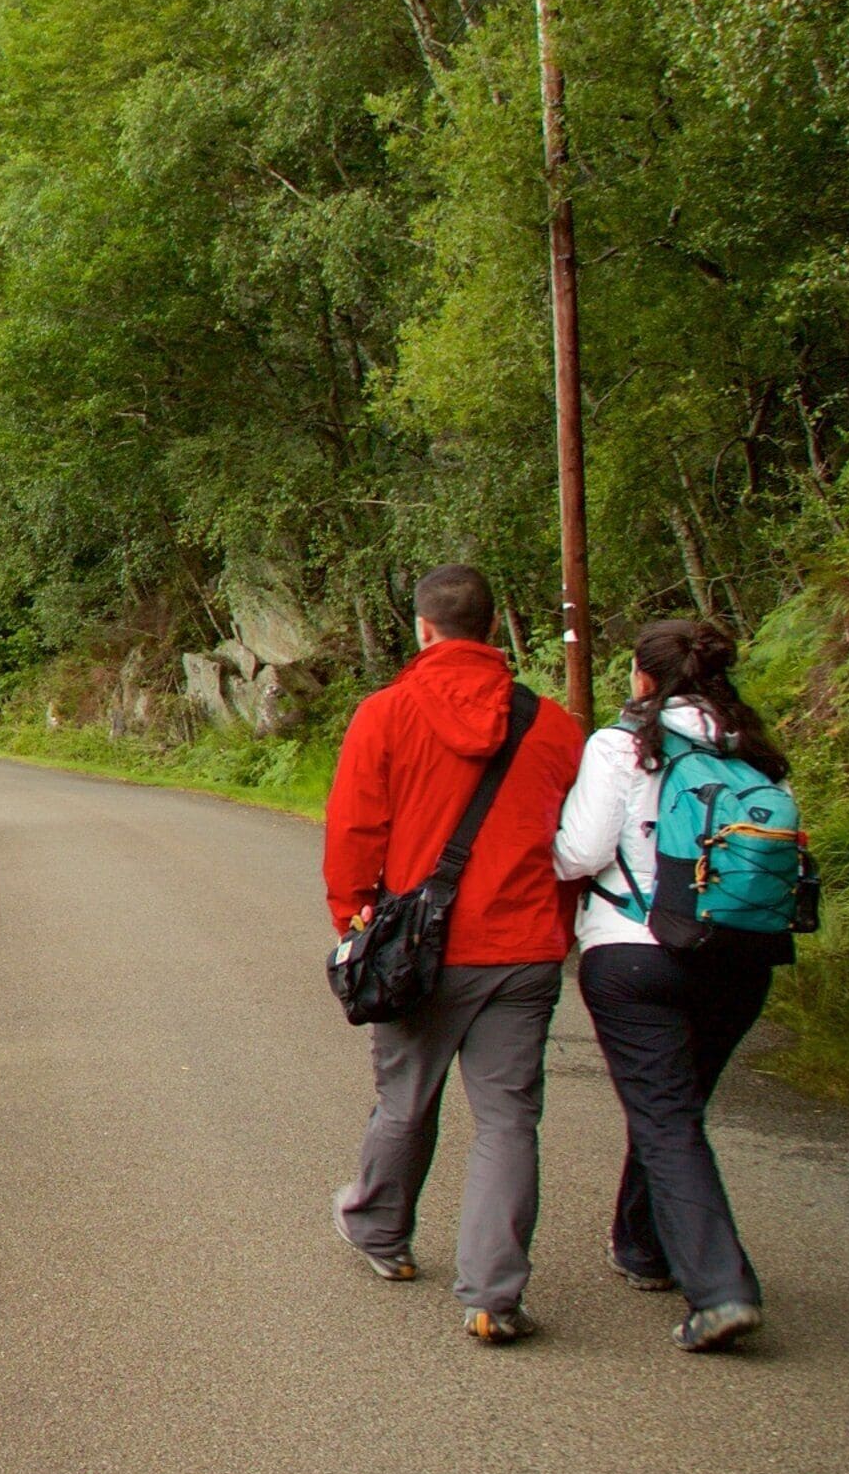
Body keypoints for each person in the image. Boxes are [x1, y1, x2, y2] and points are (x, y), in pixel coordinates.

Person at [322, 563, 586, 1343]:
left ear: (423, 628)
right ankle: (491, 1296)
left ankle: (380, 1232)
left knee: (407, 1097)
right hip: (525, 947)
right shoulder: (554, 725)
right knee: (508, 1119)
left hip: (425, 953)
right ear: (493, 629)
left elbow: (354, 829)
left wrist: (352, 918)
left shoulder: (387, 713)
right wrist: (555, 926)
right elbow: (572, 842)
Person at [553, 617, 796, 1353]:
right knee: (674, 1108)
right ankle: (642, 1245)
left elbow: (581, 851)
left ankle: (721, 1289)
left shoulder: (623, 745)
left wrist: (557, 853)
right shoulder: (758, 753)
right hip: (742, 956)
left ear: (647, 678)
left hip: (636, 954)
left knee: (665, 1115)